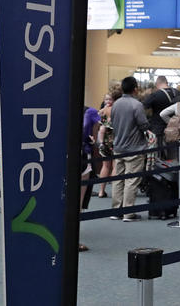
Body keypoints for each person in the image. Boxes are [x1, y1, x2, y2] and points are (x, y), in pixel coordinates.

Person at [110, 77, 150, 222]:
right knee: (131, 181)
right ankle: (128, 212)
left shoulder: (115, 104)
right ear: (135, 89)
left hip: (118, 147)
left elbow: (113, 123)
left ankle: (116, 210)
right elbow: (144, 125)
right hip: (134, 148)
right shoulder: (137, 105)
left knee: (118, 180)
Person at [79, 106, 100, 251]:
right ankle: (73, 239)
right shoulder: (90, 111)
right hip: (82, 155)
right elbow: (95, 135)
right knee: (77, 202)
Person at [97, 87, 123, 198]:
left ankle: (101, 191)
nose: (108, 101)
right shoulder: (116, 109)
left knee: (105, 166)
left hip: (105, 140)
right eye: (107, 99)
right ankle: (115, 192)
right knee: (115, 165)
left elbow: (100, 124)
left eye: (109, 99)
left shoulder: (103, 110)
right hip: (115, 138)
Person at [143, 76, 178, 155]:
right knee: (174, 154)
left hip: (158, 129)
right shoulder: (178, 93)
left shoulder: (155, 95)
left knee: (158, 154)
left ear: (157, 84)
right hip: (175, 128)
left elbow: (143, 106)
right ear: (166, 82)